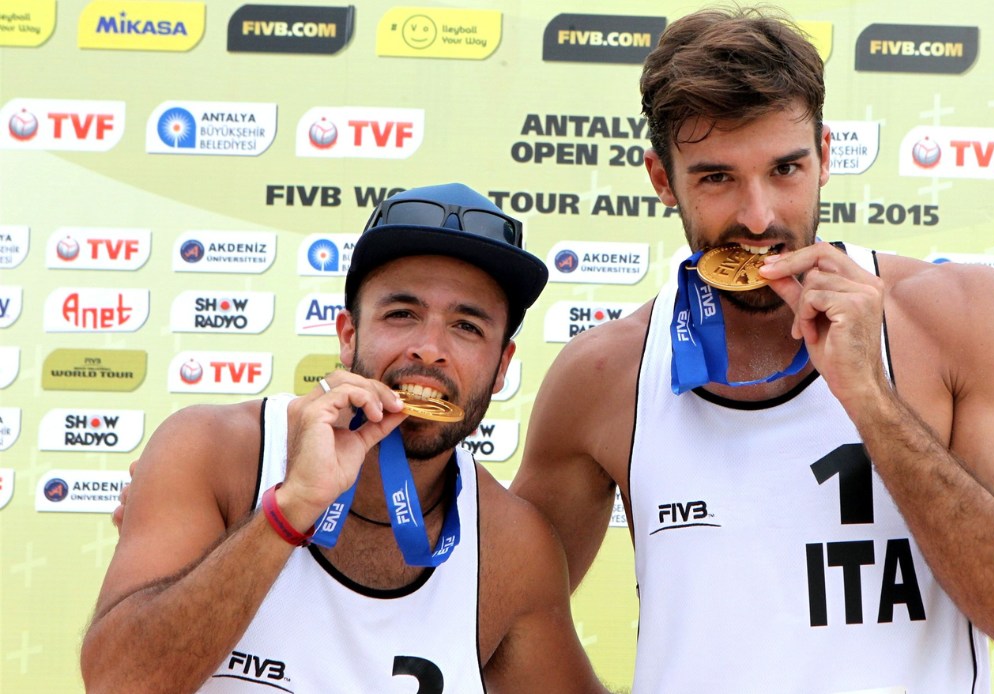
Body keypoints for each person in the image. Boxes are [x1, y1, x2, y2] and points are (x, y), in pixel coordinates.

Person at [510, 7, 994, 693]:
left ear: (824, 156)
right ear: (662, 181)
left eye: (785, 168)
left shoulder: (955, 314)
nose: (758, 216)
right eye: (716, 178)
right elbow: (500, 623)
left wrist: (870, 398)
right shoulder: (603, 374)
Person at [82, 183, 605, 693]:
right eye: (402, 314)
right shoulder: (213, 451)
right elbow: (118, 684)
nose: (429, 349)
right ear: (348, 335)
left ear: (501, 368)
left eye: (467, 326)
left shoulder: (511, 544)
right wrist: (290, 509)